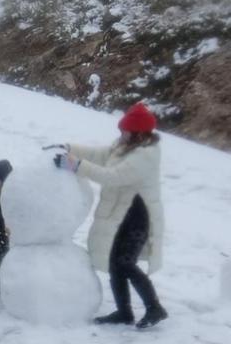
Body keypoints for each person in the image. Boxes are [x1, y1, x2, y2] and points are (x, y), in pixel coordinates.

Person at [51, 102, 167, 329]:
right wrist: (69, 147)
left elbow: (112, 176)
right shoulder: (125, 146)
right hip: (121, 214)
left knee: (125, 264)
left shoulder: (146, 155)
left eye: (125, 130)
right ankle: (124, 312)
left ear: (138, 132)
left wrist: (75, 166)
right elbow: (100, 154)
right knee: (115, 264)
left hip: (138, 217)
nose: (120, 134)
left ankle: (155, 308)